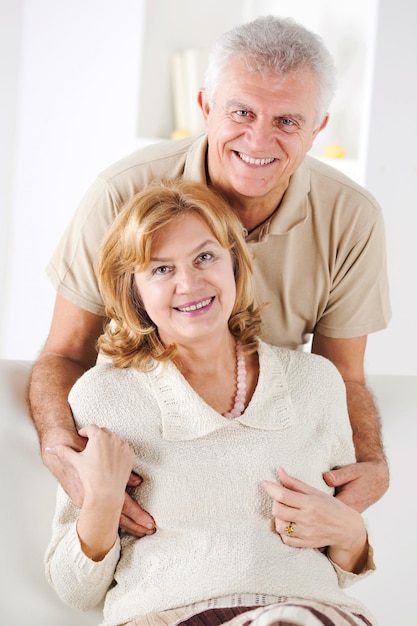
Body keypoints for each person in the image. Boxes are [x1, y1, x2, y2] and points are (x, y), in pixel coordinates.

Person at [29, 15, 391, 537]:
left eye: (287, 121)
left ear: (318, 129)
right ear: (205, 107)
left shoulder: (352, 216)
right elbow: (63, 354)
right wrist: (66, 455)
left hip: (271, 469)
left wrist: (371, 461)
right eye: (241, 111)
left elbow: (343, 377)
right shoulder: (120, 192)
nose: (259, 139)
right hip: (146, 456)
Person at [44, 179, 376, 626]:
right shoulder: (105, 397)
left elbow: (342, 566)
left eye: (205, 257)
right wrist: (102, 500)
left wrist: (352, 533)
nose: (190, 283)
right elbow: (75, 589)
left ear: (234, 264)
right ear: (133, 290)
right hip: (167, 616)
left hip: (307, 613)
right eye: (161, 269)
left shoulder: (315, 382)